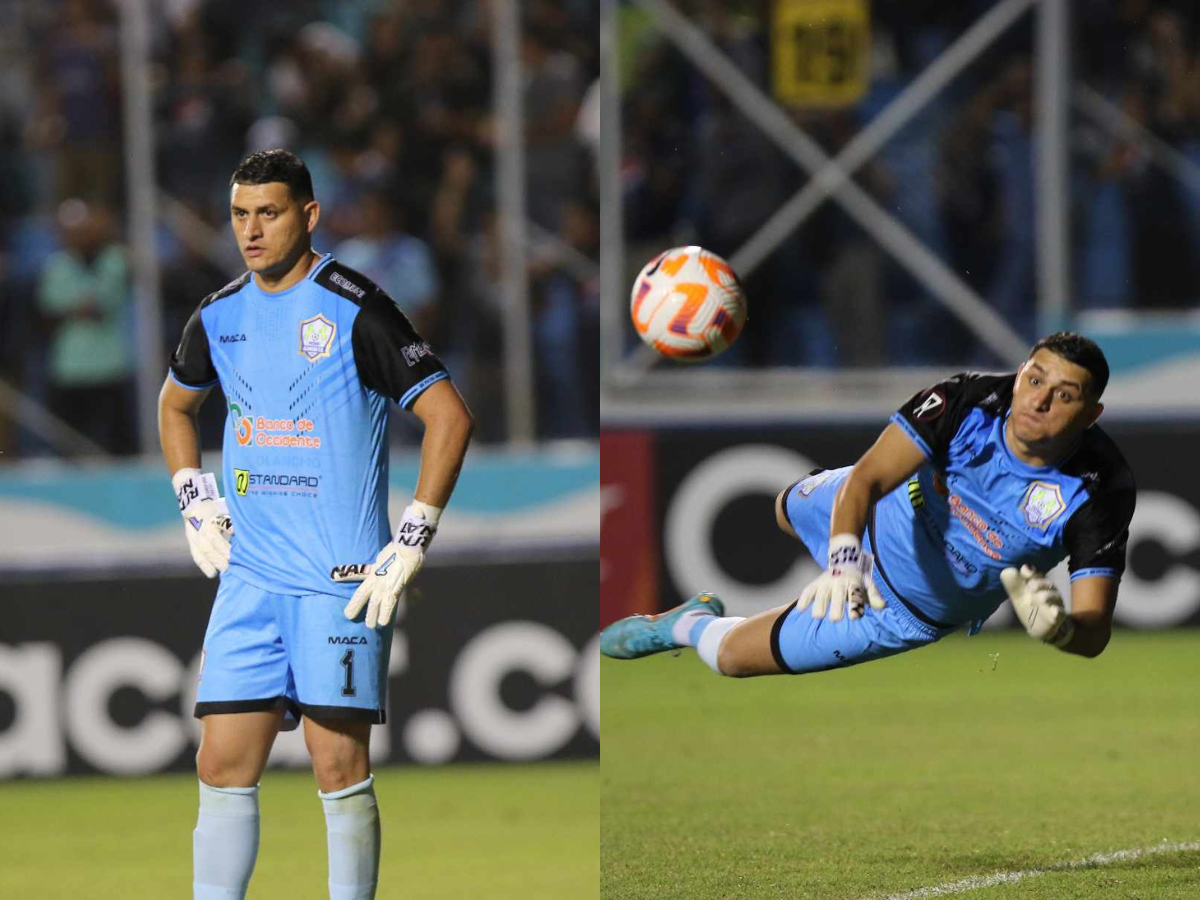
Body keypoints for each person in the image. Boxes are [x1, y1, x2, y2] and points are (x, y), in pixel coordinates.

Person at [159, 149, 473, 900]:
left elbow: (449, 417)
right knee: (221, 767)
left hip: (340, 581)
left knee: (338, 770)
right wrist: (194, 497)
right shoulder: (219, 313)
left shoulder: (356, 306)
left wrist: (412, 539)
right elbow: (176, 406)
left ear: (309, 214)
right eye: (239, 215)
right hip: (251, 578)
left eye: (268, 213)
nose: (251, 230)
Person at [601, 332, 1136, 678]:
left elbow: (1095, 631)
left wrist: (1062, 630)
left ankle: (685, 624)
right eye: (1034, 379)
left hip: (901, 609)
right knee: (784, 507)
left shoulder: (1100, 488)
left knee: (729, 659)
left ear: (1092, 414)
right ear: (1020, 373)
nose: (1038, 400)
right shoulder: (967, 399)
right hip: (876, 512)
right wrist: (844, 561)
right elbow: (869, 478)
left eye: (1064, 395)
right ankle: (833, 532)